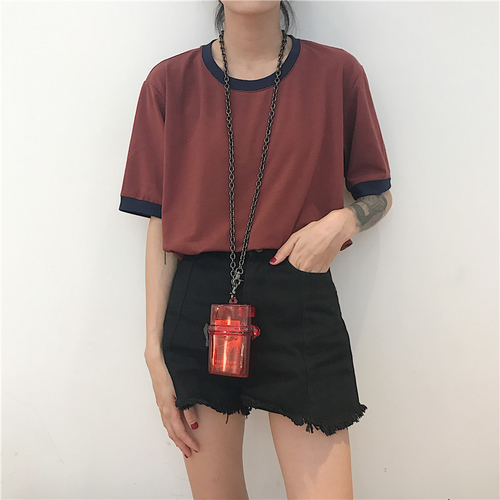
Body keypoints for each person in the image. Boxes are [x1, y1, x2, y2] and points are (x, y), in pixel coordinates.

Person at [119, 1, 393, 498]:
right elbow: (162, 225)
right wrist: (153, 351)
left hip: (300, 295)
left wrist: (341, 222)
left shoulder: (336, 73)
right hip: (199, 310)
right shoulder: (170, 82)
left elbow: (377, 193)